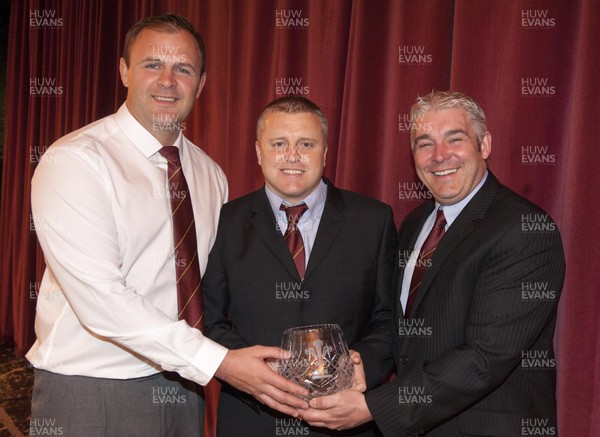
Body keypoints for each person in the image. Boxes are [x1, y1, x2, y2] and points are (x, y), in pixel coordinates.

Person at [28, 14, 306, 437]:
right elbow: (101, 300)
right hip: (94, 387)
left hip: (185, 387)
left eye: (184, 68)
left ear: (202, 81)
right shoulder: (77, 161)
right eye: (152, 64)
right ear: (123, 70)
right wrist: (220, 363)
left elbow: (217, 287)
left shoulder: (210, 174)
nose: (168, 80)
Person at [300, 91, 566, 436]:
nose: (440, 156)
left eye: (454, 139)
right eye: (425, 144)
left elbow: (484, 358)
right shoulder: (415, 224)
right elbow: (405, 332)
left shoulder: (523, 229)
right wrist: (361, 364)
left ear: (484, 144)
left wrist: (374, 408)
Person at [203, 96, 397, 436]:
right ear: (259, 152)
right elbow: (210, 319)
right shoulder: (225, 220)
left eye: (306, 144)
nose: (292, 156)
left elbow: (389, 319)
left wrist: (362, 364)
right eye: (279, 144)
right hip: (252, 420)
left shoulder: (373, 220)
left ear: (325, 152)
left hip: (345, 421)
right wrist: (250, 372)